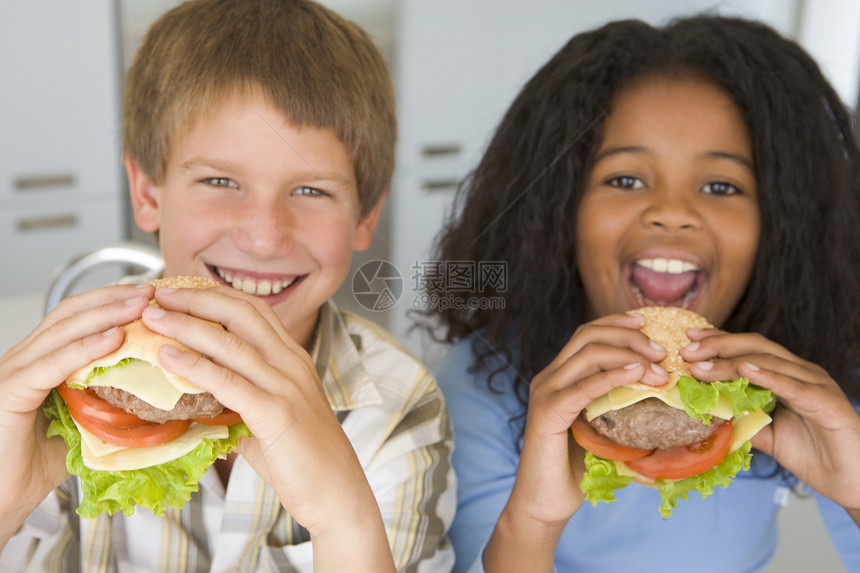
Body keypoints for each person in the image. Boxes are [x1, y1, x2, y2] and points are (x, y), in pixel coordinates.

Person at [0, 1, 455, 571]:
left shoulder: (398, 408)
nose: (265, 238)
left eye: (312, 191)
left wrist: (342, 517)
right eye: (219, 180)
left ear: (366, 215)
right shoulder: (57, 379)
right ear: (147, 193)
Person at [425, 15, 860, 573]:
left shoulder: (811, 383)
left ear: (782, 224)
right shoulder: (484, 380)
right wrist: (532, 520)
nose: (672, 213)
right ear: (560, 210)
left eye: (721, 186)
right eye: (625, 180)